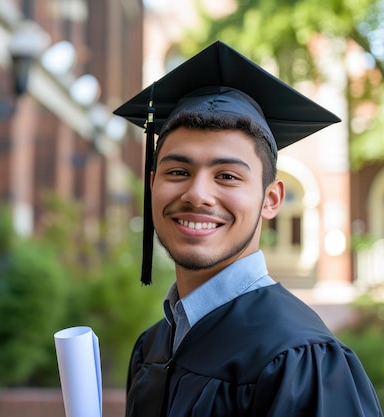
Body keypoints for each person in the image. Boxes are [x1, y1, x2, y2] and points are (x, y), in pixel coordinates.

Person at [113, 41, 384, 417]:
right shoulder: (153, 347)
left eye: (227, 176)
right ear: (152, 183)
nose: (198, 194)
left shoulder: (302, 360)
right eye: (179, 172)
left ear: (271, 199)